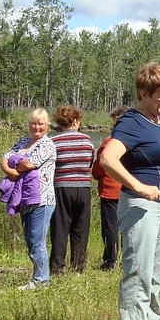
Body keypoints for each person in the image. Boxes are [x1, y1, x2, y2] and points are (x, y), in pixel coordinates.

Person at [99, 62, 160, 320]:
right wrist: (139, 187)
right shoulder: (131, 122)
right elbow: (108, 160)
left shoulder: (156, 121)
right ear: (144, 93)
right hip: (141, 207)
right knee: (138, 270)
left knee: (156, 270)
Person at [0, 108, 57, 290]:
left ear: (47, 125)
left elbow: (30, 164)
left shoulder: (47, 144)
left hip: (42, 199)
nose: (37, 127)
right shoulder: (24, 141)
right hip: (24, 197)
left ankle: (41, 281)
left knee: (36, 240)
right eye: (33, 123)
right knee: (30, 240)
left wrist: (14, 161)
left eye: (40, 123)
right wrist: (11, 170)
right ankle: (37, 277)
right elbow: (4, 158)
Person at [50, 105, 95, 273]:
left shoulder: (54, 142)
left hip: (61, 187)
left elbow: (51, 166)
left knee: (60, 228)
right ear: (75, 120)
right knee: (81, 228)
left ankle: (57, 267)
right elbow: (90, 162)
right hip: (83, 187)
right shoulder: (87, 140)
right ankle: (77, 267)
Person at [92, 107, 127, 271]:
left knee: (111, 227)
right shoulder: (133, 140)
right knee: (127, 227)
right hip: (128, 189)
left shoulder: (109, 141)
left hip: (111, 191)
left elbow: (98, 168)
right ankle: (126, 259)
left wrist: (97, 175)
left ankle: (111, 261)